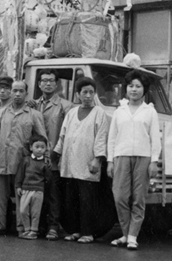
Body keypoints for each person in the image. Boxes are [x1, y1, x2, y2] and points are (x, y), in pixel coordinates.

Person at [107, 69, 161, 250]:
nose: (134, 90)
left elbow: (155, 138)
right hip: (121, 156)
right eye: (131, 86)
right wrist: (110, 161)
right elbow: (112, 138)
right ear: (126, 88)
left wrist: (154, 161)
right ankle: (125, 233)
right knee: (120, 196)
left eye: (138, 86)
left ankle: (132, 236)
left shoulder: (150, 111)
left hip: (143, 157)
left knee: (138, 198)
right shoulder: (119, 111)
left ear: (144, 90)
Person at [0, 80, 48, 236]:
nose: (17, 94)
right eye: (15, 90)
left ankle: (23, 229)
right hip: (3, 160)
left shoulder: (34, 115)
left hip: (24, 164)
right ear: (11, 92)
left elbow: (42, 138)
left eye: (21, 91)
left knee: (23, 197)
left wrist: (44, 158)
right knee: (0, 196)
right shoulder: (0, 113)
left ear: (26, 93)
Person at [52, 77, 109, 244]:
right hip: (69, 163)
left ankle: (88, 233)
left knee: (87, 200)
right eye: (85, 92)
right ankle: (74, 230)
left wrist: (97, 160)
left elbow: (101, 138)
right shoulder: (71, 113)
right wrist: (55, 154)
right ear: (78, 94)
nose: (88, 96)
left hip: (87, 163)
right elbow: (63, 136)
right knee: (71, 200)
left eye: (92, 92)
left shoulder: (99, 113)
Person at [28, 69, 74, 241]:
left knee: (53, 195)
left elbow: (67, 134)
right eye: (44, 80)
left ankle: (53, 227)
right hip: (35, 159)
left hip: (54, 158)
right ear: (39, 84)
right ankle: (37, 226)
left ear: (57, 84)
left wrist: (56, 154)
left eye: (51, 81)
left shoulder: (65, 106)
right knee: (37, 192)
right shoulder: (32, 105)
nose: (48, 83)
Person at [16, 135, 51, 240]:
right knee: (23, 210)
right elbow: (20, 174)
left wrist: (43, 187)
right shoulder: (26, 160)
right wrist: (18, 186)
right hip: (26, 189)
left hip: (38, 190)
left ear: (45, 149)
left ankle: (34, 231)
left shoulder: (45, 162)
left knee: (35, 212)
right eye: (37, 147)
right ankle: (27, 229)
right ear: (31, 147)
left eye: (42, 147)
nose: (39, 149)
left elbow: (48, 178)